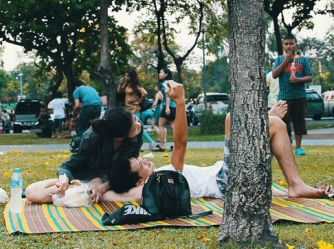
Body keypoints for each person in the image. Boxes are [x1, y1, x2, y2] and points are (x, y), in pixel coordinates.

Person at [104, 81, 330, 201]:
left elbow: (114, 194)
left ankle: (266, 123)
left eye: (138, 158)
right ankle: (294, 182)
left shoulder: (146, 185)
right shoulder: (161, 181)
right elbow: (180, 144)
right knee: (248, 120)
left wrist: (97, 188)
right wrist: (180, 102)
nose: (144, 160)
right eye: (140, 165)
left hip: (224, 175)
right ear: (139, 182)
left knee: (266, 124)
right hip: (226, 183)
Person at [24, 107, 143, 204]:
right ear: (119, 136)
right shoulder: (92, 137)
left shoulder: (136, 134)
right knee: (32, 193)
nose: (139, 125)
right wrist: (63, 180)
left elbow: (126, 171)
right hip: (84, 178)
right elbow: (69, 166)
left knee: (139, 192)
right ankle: (76, 188)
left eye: (136, 120)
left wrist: (103, 187)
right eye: (134, 126)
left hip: (112, 182)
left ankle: (86, 192)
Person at [272, 34, 312, 156]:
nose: (289, 46)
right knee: (283, 122)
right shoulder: (279, 59)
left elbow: (309, 77)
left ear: (296, 45)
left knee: (299, 121)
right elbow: (274, 74)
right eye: (286, 44)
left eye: (291, 44)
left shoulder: (303, 60)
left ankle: (298, 148)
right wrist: (286, 60)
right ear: (283, 46)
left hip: (299, 96)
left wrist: (298, 80)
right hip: (284, 96)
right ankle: (286, 146)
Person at [117, 69, 154, 149]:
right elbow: (119, 91)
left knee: (137, 125)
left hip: (135, 108)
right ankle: (132, 144)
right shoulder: (126, 85)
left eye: (128, 76)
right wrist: (121, 83)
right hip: (128, 107)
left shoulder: (135, 85)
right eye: (125, 75)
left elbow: (144, 93)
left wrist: (139, 102)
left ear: (131, 76)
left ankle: (150, 141)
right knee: (130, 126)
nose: (126, 77)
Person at [155, 68, 176, 151]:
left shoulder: (165, 83)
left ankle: (162, 146)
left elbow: (168, 95)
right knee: (173, 126)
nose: (159, 74)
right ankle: (176, 146)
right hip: (174, 106)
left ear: (166, 74)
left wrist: (167, 107)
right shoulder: (171, 82)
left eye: (161, 72)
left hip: (168, 106)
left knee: (161, 125)